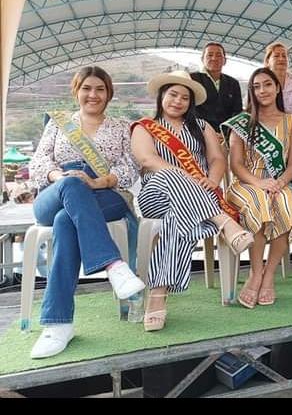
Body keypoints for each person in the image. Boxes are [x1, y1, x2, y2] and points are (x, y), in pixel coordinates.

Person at [28, 66, 143, 358]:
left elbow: (130, 167)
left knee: (66, 221)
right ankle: (114, 266)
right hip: (56, 191)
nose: (93, 95)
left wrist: (96, 182)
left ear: (109, 94)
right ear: (76, 91)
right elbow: (38, 162)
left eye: (100, 89)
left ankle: (58, 324)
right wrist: (61, 178)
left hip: (104, 193)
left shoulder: (121, 126)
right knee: (72, 187)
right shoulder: (58, 123)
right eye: (87, 88)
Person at [131, 70, 253, 332]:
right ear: (162, 96)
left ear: (191, 102)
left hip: (195, 198)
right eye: (173, 94)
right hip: (156, 195)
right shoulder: (144, 127)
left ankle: (158, 294)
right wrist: (186, 177)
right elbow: (147, 159)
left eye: (184, 97)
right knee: (171, 176)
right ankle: (224, 222)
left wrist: (212, 179)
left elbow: (217, 159)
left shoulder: (201, 126)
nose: (178, 101)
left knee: (178, 218)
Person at [224, 67, 292, 308]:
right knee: (259, 201)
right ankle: (255, 273)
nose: (262, 90)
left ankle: (269, 275)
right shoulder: (242, 122)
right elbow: (236, 165)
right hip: (246, 183)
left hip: (280, 182)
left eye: (267, 84)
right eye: (256, 86)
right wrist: (260, 183)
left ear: (277, 87)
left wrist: (280, 182)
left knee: (286, 202)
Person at [190, 42, 244, 138]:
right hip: (198, 134)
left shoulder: (233, 83)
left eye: (219, 55)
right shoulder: (192, 79)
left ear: (224, 60)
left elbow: (237, 112)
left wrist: (226, 133)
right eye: (210, 55)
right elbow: (189, 109)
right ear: (202, 59)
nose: (214, 58)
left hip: (226, 136)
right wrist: (208, 133)